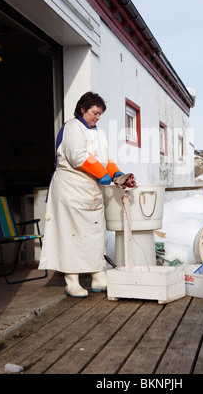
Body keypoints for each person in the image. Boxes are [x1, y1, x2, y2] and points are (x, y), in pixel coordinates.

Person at [39, 92, 132, 297]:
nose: (97, 117)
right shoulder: (73, 127)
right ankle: (71, 280)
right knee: (70, 234)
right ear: (83, 109)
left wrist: (115, 172)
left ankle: (99, 276)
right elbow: (78, 156)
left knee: (94, 235)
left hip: (92, 193)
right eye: (94, 113)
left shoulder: (98, 132)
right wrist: (101, 174)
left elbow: (105, 159)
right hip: (71, 190)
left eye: (100, 114)